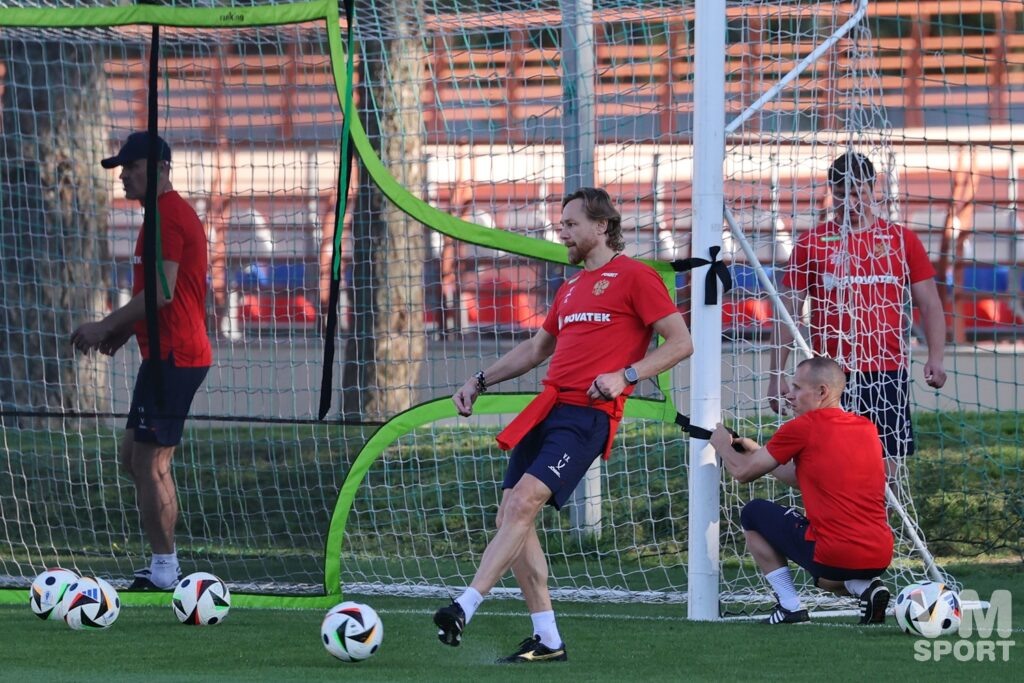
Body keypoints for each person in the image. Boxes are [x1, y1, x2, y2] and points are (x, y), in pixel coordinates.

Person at [433, 187, 693, 662]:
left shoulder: (636, 277)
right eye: (562, 223)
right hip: (547, 411)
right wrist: (479, 380)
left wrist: (626, 375)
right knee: (511, 511)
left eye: (571, 224)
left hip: (587, 417)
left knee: (524, 501)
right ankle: (548, 638)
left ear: (602, 225)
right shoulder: (569, 288)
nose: (562, 231)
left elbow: (680, 342)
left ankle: (464, 606)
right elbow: (535, 351)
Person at [71, 132, 211, 590]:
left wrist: (104, 325)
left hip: (176, 356)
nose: (123, 177)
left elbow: (163, 293)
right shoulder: (157, 217)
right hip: (163, 354)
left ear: (157, 167)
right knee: (133, 458)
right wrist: (124, 331)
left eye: (129, 167)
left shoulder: (169, 215)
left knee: (150, 463)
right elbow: (154, 296)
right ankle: (165, 563)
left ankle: (166, 569)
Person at [766, 151, 947, 476]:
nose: (850, 201)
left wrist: (936, 357)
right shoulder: (812, 242)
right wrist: (776, 374)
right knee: (826, 466)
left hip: (886, 370)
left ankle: (879, 526)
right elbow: (787, 312)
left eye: (857, 193)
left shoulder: (900, 240)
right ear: (830, 191)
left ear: (872, 189)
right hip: (829, 377)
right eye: (842, 193)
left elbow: (930, 304)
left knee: (885, 471)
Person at [711, 356, 894, 625]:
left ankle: (790, 607)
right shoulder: (866, 428)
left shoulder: (802, 427)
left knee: (753, 513)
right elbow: (805, 478)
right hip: (880, 552)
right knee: (827, 579)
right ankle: (866, 587)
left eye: (797, 388)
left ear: (822, 392)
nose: (788, 394)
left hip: (835, 552)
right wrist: (756, 450)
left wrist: (722, 445)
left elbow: (742, 473)